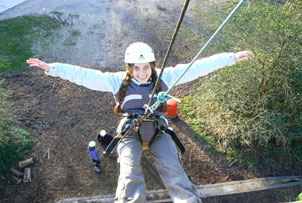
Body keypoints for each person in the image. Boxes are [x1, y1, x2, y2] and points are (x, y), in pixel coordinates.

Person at [27, 42, 254, 202]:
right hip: (130, 133)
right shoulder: (116, 81)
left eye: (146, 67)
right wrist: (52, 69)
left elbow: (197, 67)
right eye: (137, 68)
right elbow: (85, 75)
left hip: (158, 130)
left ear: (152, 66)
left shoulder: (165, 76)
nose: (143, 73)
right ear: (130, 68)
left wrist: (231, 58)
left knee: (174, 171)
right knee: (129, 172)